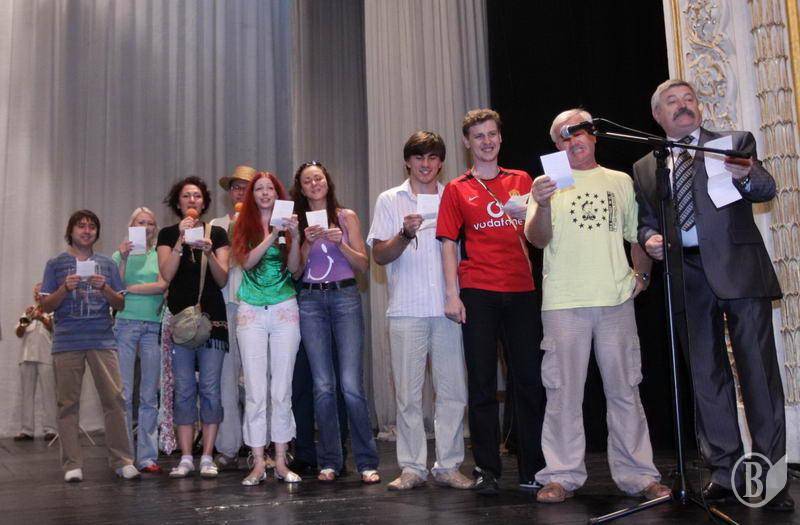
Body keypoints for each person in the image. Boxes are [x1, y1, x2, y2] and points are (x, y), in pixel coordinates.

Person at [633, 78, 793, 511]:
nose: (683, 106)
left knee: (758, 376)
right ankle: (726, 472)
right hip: (687, 276)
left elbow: (765, 188)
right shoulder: (646, 166)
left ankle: (771, 480)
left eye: (689, 99)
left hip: (739, 271)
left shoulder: (732, 143)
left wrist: (748, 174)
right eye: (672, 101)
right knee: (706, 378)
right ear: (658, 115)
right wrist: (648, 239)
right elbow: (646, 221)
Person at [525, 109, 670, 503]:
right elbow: (537, 239)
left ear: (593, 136)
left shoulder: (619, 180)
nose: (574, 139)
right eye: (565, 134)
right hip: (564, 303)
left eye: (581, 131)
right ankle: (560, 475)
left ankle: (639, 476)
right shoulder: (546, 185)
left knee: (626, 390)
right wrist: (542, 203)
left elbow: (637, 234)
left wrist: (642, 278)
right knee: (563, 393)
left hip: (615, 302)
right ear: (557, 145)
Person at [436, 109, 545, 495]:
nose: (486, 141)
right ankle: (487, 469)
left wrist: (533, 212)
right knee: (482, 384)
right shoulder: (457, 188)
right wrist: (452, 294)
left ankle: (533, 466)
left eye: (492, 134)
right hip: (478, 292)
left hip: (521, 291)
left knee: (529, 381)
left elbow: (538, 233)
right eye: (479, 136)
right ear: (467, 142)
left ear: (500, 138)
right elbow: (448, 244)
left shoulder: (522, 180)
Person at [367, 131, 472, 491]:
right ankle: (412, 467)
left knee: (452, 391)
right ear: (407, 162)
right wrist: (404, 234)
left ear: (441, 162)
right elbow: (379, 255)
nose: (425, 164)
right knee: (408, 395)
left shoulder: (454, 195)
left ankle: (449, 465)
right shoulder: (389, 199)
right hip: (406, 308)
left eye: (432, 158)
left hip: (447, 306)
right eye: (418, 157)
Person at [291, 160, 380, 484]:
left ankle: (367, 461)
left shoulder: (346, 216)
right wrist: (305, 241)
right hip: (311, 300)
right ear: (301, 189)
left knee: (351, 385)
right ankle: (330, 460)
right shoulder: (298, 222)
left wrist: (340, 241)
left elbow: (363, 265)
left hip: (345, 297)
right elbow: (295, 271)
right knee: (323, 386)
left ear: (327, 182)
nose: (314, 184)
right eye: (307, 181)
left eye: (318, 178)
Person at [39, 210, 139, 482]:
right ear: (70, 231)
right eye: (81, 226)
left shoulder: (106, 264)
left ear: (97, 232)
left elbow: (120, 303)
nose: (86, 231)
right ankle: (72, 464)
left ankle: (122, 460)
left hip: (102, 339)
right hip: (66, 341)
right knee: (67, 404)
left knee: (115, 400)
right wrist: (64, 288)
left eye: (92, 226)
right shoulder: (55, 264)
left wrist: (105, 288)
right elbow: (45, 306)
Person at [232, 171, 302, 485]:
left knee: (282, 389)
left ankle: (282, 461)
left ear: (277, 193)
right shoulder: (242, 224)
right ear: (252, 195)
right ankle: (259, 462)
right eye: (258, 188)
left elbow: (295, 269)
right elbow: (247, 262)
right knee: (255, 390)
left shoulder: (288, 224)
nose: (264, 193)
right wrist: (273, 234)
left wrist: (294, 237)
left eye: (269, 188)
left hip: (284, 307)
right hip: (251, 310)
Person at [157, 176, 230, 479]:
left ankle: (208, 456)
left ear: (204, 202)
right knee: (184, 389)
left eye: (197, 196)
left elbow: (222, 278)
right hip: (181, 323)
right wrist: (180, 241)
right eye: (186, 196)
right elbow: (166, 274)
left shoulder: (218, 233)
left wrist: (209, 251)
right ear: (178, 202)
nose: (192, 200)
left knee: (210, 389)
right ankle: (186, 456)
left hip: (213, 321)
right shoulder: (167, 233)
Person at [112, 207, 168, 474]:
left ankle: (147, 456)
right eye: (141, 222)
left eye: (151, 223)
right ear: (131, 225)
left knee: (149, 395)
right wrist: (123, 259)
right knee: (123, 393)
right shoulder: (119, 254)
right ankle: (124, 456)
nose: (146, 227)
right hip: (125, 324)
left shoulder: (159, 254)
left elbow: (162, 285)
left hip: (152, 325)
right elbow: (114, 288)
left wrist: (131, 289)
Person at [210, 165, 255, 471]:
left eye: (246, 187)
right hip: (225, 304)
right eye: (236, 187)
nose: (240, 192)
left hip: (255, 304)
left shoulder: (263, 222)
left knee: (255, 379)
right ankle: (228, 446)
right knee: (225, 378)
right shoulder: (215, 225)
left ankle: (258, 445)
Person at [13, 283, 56, 442]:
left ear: (47, 295)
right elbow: (19, 333)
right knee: (26, 394)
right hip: (26, 357)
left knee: (49, 394)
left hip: (46, 356)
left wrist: (41, 318)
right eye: (36, 293)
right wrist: (27, 319)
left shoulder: (53, 311)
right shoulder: (28, 311)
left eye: (40, 293)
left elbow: (54, 329)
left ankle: (51, 429)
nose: (38, 296)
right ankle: (26, 430)